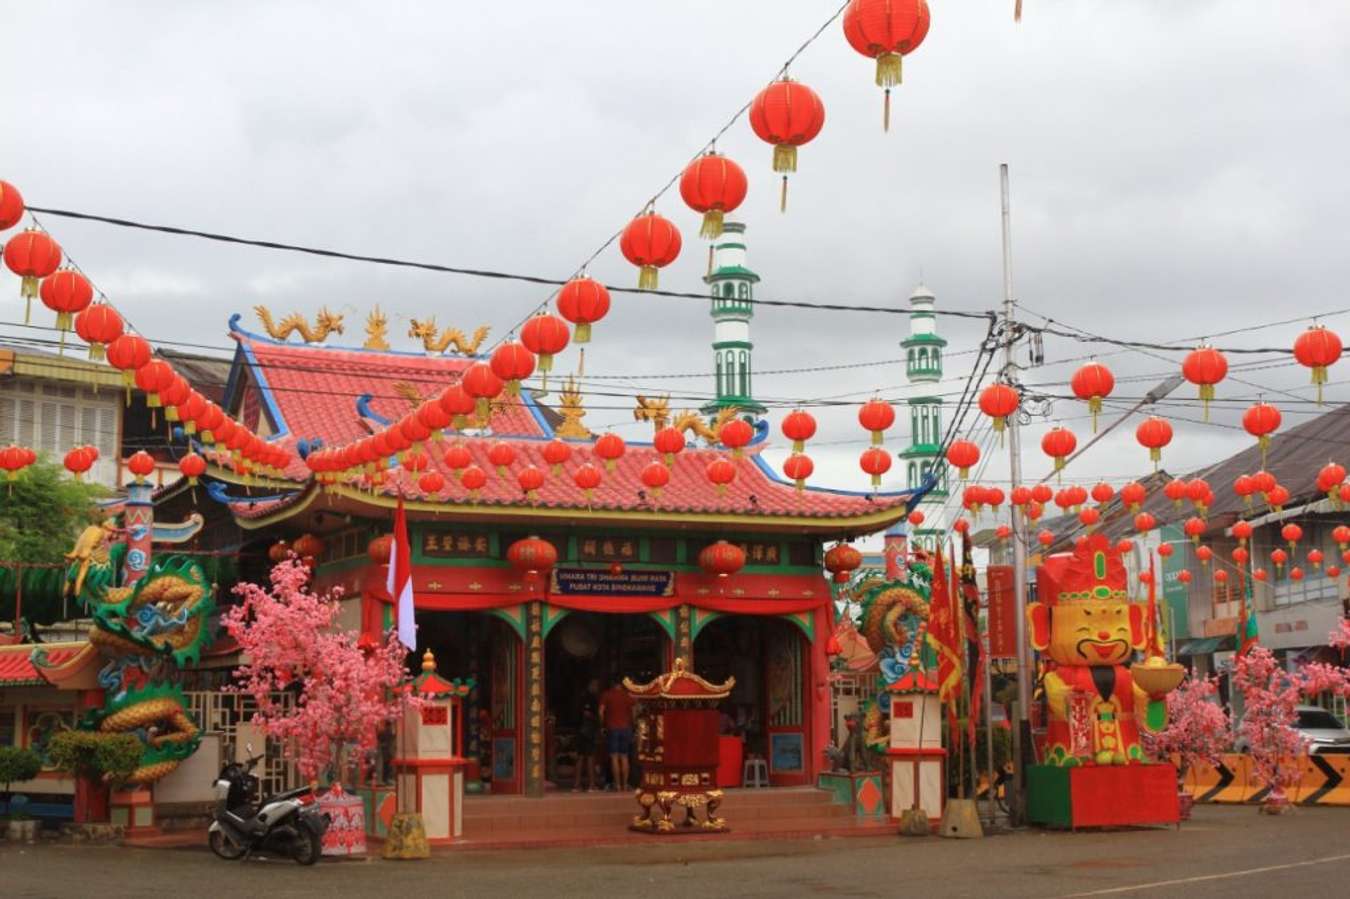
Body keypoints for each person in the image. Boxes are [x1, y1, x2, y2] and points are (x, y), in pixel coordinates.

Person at [598, 677, 635, 791]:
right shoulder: (628, 695)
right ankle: (625, 784)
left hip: (612, 728)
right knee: (624, 757)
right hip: (626, 728)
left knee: (614, 756)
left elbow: (601, 711)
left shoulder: (607, 695)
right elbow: (634, 711)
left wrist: (602, 724)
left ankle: (617, 785)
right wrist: (632, 724)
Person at [573, 678, 601, 792]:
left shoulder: (580, 698)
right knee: (590, 757)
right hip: (588, 732)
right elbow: (588, 714)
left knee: (580, 757)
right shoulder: (591, 699)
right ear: (590, 685)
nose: (597, 688)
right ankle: (592, 785)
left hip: (580, 731)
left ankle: (577, 785)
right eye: (595, 685)